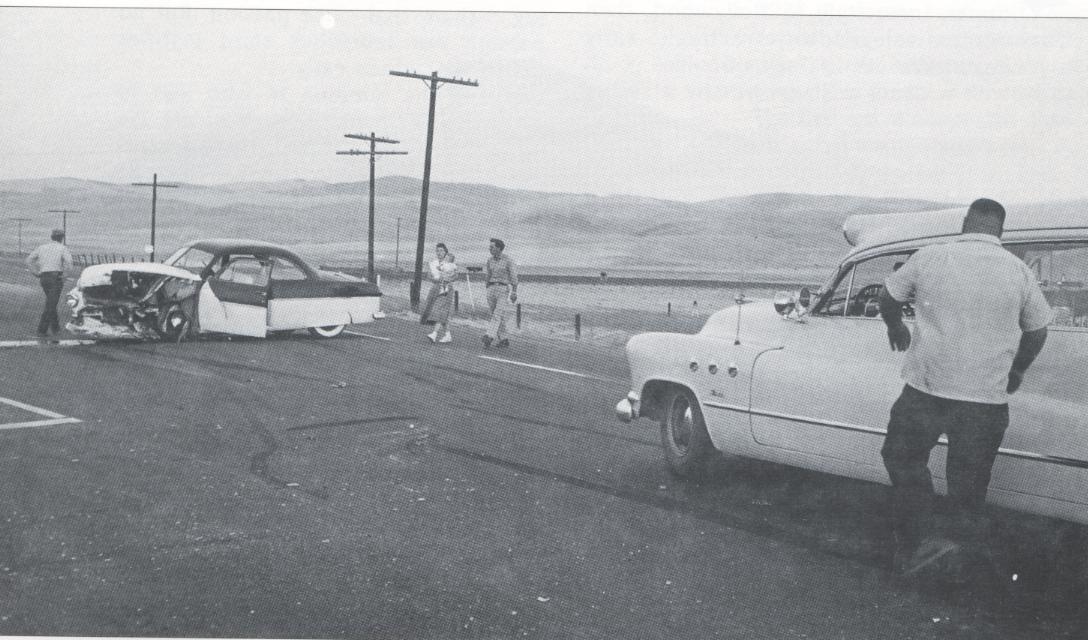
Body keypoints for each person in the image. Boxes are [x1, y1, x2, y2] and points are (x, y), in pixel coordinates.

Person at [878, 198, 1051, 579]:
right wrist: (1017, 370)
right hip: (983, 401)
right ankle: (956, 565)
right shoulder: (1018, 270)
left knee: (902, 459)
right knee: (969, 485)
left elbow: (888, 296)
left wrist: (896, 326)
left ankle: (915, 541)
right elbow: (1038, 330)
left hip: (925, 389)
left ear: (964, 223)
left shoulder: (930, 256)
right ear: (1000, 231)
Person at [25, 229, 74, 340]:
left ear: (52, 237)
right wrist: (65, 275)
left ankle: (56, 328)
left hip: (44, 278)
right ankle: (41, 330)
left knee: (51, 302)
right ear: (62, 238)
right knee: (51, 304)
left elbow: (29, 260)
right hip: (55, 277)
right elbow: (69, 263)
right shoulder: (62, 248)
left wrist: (35, 272)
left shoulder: (42, 247)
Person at [482, 238, 518, 349]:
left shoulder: (508, 260)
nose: (490, 249)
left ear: (499, 248)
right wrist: (487, 286)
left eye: (492, 247)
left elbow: (513, 276)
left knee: (497, 314)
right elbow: (488, 274)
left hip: (503, 289)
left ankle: (489, 335)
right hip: (491, 288)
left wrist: (514, 291)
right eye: (489, 247)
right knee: (496, 315)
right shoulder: (490, 260)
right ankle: (504, 339)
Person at [420, 243, 457, 343]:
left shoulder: (449, 263)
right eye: (437, 251)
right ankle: (447, 335)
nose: (439, 253)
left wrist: (447, 279)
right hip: (435, 287)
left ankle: (434, 333)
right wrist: (435, 280)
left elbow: (455, 276)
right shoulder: (433, 263)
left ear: (445, 252)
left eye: (441, 251)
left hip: (446, 288)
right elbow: (428, 276)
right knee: (441, 311)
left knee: (440, 310)